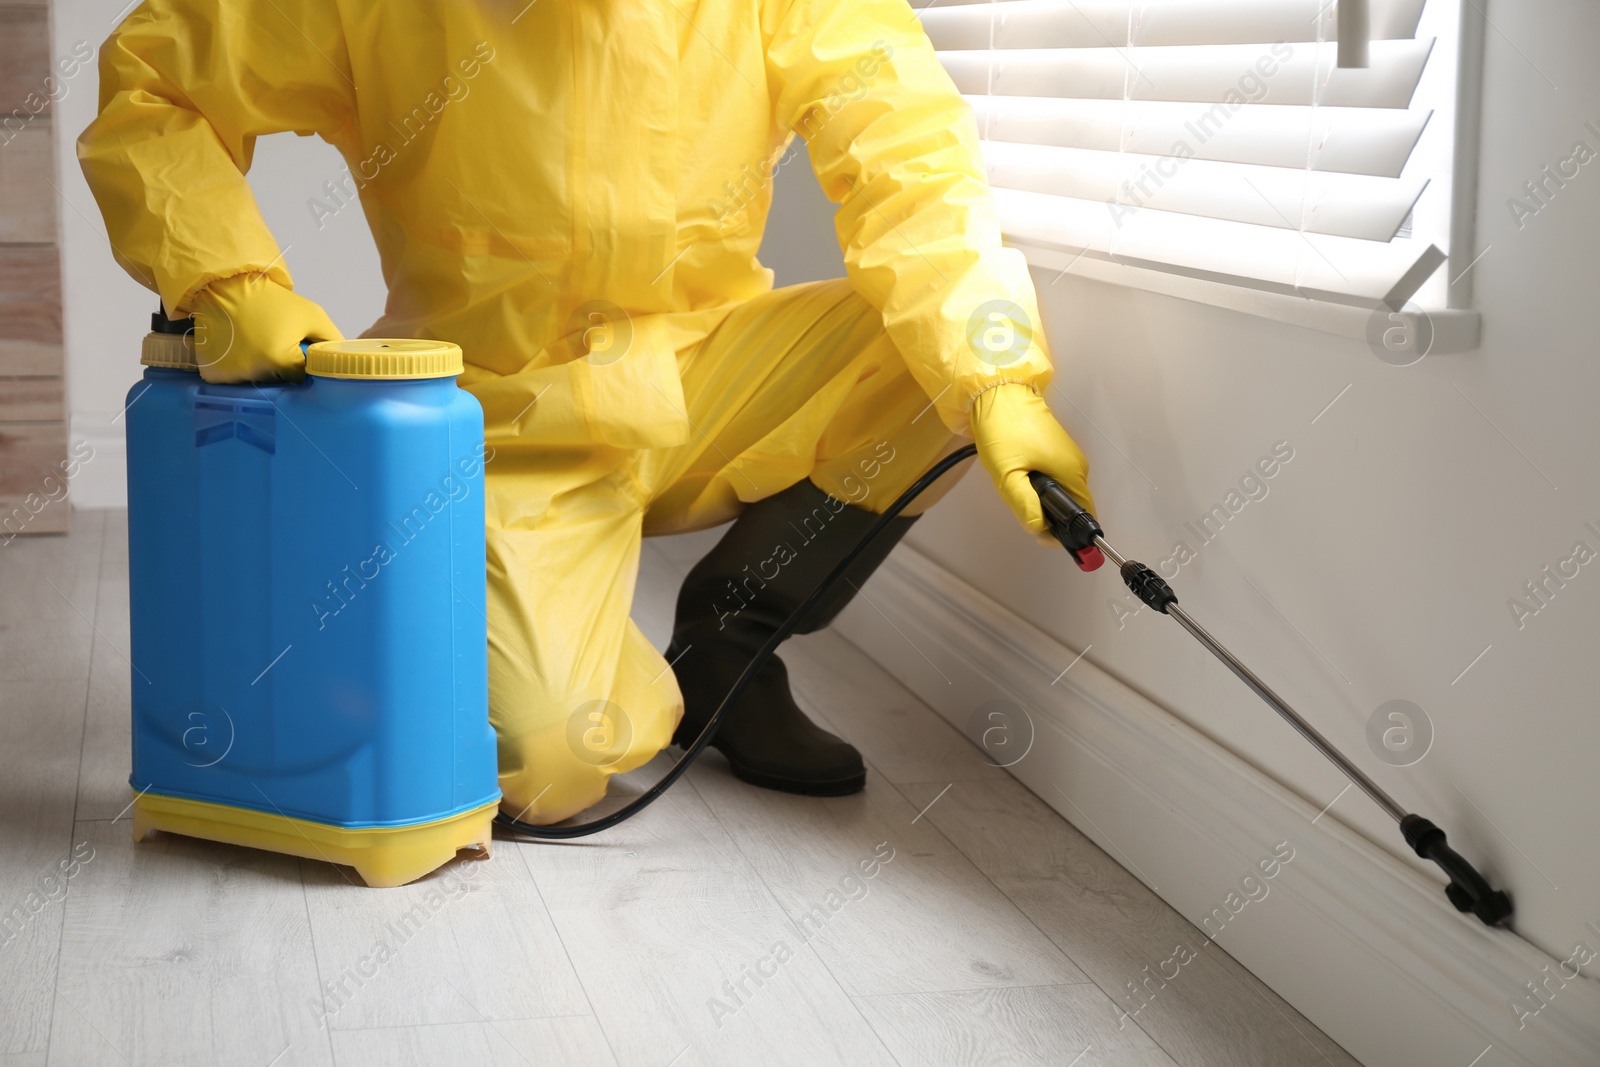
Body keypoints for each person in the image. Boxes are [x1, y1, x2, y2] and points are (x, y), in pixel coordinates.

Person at [79, 0, 1096, 825]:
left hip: (707, 377)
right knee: (548, 758)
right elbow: (156, 80)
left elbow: (912, 167)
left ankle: (729, 652)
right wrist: (227, 281)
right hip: (502, 416)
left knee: (943, 361)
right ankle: (577, 653)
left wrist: (996, 376)